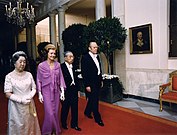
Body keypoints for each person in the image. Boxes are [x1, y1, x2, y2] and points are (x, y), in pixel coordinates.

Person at [4, 51, 41, 135]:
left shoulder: (29, 74)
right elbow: (7, 93)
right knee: (18, 124)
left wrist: (29, 96)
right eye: (20, 62)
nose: (22, 64)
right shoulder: (9, 76)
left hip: (29, 103)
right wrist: (21, 100)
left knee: (30, 122)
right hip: (16, 105)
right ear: (14, 63)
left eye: (24, 62)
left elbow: (34, 88)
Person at [36, 44, 66, 135]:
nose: (53, 55)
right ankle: (47, 131)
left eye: (54, 53)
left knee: (56, 112)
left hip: (56, 91)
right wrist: (40, 93)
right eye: (51, 53)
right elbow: (38, 79)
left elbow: (61, 78)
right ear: (47, 54)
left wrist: (62, 92)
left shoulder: (58, 65)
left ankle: (55, 130)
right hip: (46, 91)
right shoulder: (41, 66)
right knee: (49, 113)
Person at [81, 41, 104, 127]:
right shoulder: (85, 58)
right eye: (94, 47)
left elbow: (99, 69)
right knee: (95, 100)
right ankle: (98, 119)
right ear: (89, 48)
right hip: (91, 83)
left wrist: (101, 80)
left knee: (93, 98)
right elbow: (84, 73)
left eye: (96, 47)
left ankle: (87, 112)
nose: (96, 48)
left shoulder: (97, 56)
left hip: (97, 81)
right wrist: (87, 85)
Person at [60, 51, 82, 131]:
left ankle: (74, 124)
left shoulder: (74, 67)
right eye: (70, 57)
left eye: (72, 56)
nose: (72, 58)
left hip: (74, 89)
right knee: (65, 107)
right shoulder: (61, 67)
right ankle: (63, 123)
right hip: (66, 90)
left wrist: (78, 90)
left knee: (75, 108)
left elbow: (77, 79)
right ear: (65, 58)